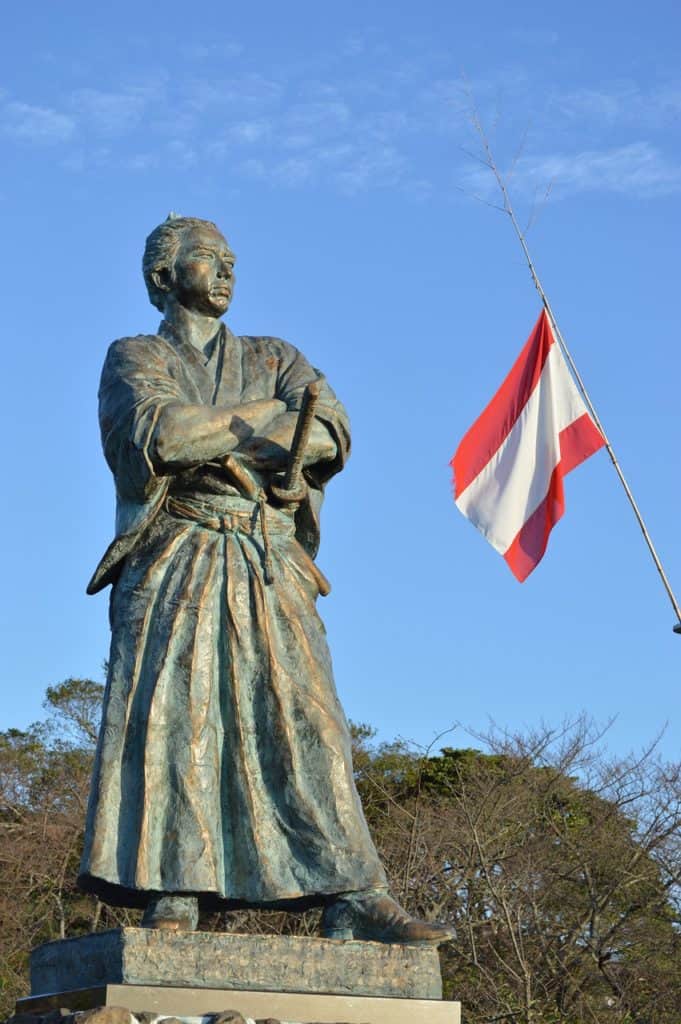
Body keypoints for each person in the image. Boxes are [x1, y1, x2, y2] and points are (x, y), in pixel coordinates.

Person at [78, 214, 453, 945]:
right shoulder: (133, 354)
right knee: (176, 718)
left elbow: (328, 433)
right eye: (209, 260)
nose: (226, 272)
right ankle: (175, 887)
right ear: (164, 276)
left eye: (231, 261)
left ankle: (351, 892)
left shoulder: (275, 353)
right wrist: (262, 419)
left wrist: (237, 429)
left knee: (307, 717)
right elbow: (162, 435)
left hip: (266, 555)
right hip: (178, 551)